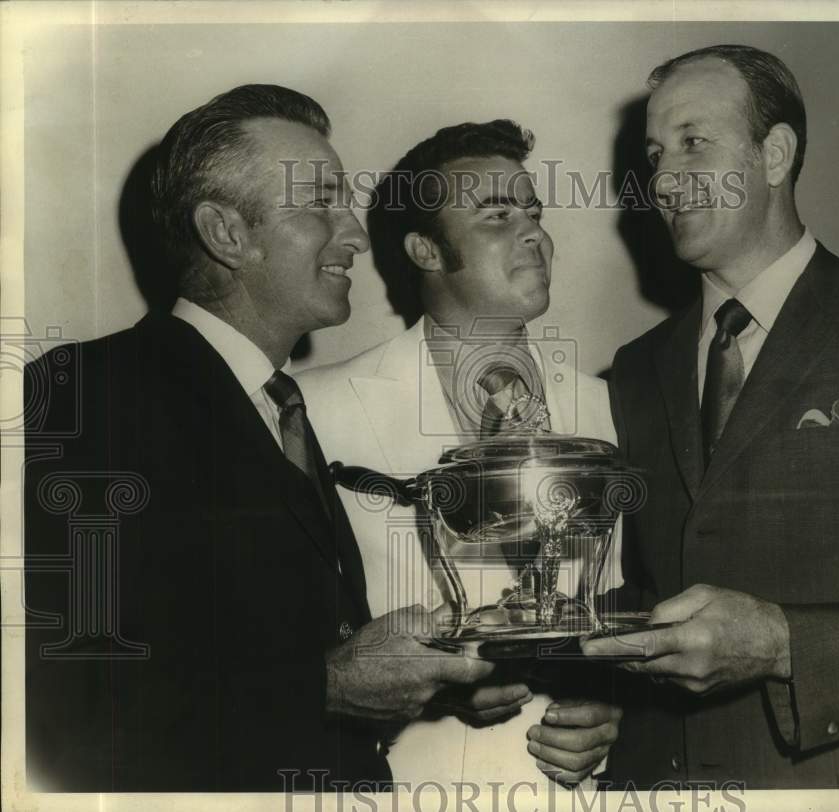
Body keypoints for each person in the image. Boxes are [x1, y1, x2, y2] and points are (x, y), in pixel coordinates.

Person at [22, 84, 494, 792]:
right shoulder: (82, 393)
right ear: (226, 234)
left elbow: (260, 650)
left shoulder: (284, 407)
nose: (356, 234)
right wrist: (329, 686)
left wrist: (432, 681)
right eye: (319, 204)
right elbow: (69, 710)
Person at [582, 45, 839, 788]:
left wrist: (781, 644)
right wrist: (600, 699)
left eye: (694, 144)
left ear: (776, 153)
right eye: (655, 155)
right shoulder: (636, 369)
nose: (664, 180)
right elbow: (648, 591)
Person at [297, 120, 623, 788]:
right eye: (497, 215)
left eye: (534, 212)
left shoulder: (615, 406)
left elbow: (630, 602)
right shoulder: (312, 409)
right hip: (397, 783)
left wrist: (621, 706)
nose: (533, 232)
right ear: (425, 249)